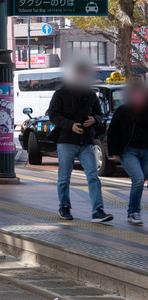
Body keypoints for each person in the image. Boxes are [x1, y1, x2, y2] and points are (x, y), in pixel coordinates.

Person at [47, 61, 112, 224]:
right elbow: (53, 115)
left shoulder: (90, 94)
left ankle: (98, 211)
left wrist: (94, 119)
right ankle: (64, 207)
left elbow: (100, 113)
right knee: (64, 177)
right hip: (66, 141)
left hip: (86, 142)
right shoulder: (61, 94)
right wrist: (71, 125)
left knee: (93, 176)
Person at [108, 81, 148, 226]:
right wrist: (114, 150)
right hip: (128, 151)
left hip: (146, 150)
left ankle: (133, 211)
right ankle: (133, 212)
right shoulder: (123, 111)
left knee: (141, 180)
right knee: (138, 178)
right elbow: (113, 131)